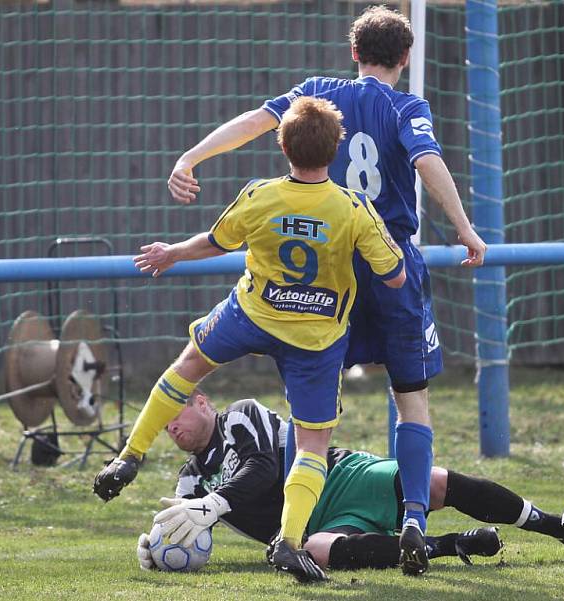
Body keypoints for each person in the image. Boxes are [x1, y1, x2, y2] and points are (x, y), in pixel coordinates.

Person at [165, 6, 488, 576]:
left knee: (311, 416)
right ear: (405, 58)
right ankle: (413, 515)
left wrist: (192, 156)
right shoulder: (407, 106)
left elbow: (253, 122)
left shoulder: (317, 93)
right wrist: (463, 228)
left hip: (326, 271)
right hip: (388, 265)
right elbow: (428, 161)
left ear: (354, 53)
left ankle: (297, 530)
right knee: (410, 397)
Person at [93, 97, 406, 583]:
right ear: (336, 148)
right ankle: (287, 541)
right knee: (311, 443)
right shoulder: (352, 209)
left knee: (187, 367)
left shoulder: (260, 196)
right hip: (315, 336)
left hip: (254, 313)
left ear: (282, 144)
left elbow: (215, 242)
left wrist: (170, 253)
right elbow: (395, 277)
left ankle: (129, 455)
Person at [135, 391, 564, 576]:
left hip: (342, 478)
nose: (168, 428)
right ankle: (450, 546)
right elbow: (188, 532)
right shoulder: (190, 480)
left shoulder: (240, 416)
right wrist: (156, 547)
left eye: (170, 415)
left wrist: (214, 504)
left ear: (199, 401)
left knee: (432, 482)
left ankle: (557, 525)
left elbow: (261, 469)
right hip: (305, 529)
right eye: (160, 426)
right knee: (322, 551)